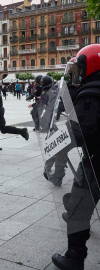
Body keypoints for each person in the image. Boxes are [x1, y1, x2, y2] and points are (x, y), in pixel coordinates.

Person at [52, 44, 100, 270]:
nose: (78, 72)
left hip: (96, 161)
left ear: (90, 65)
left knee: (78, 208)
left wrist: (59, 144)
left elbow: (82, 130)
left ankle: (74, 258)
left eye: (80, 67)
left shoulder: (92, 92)